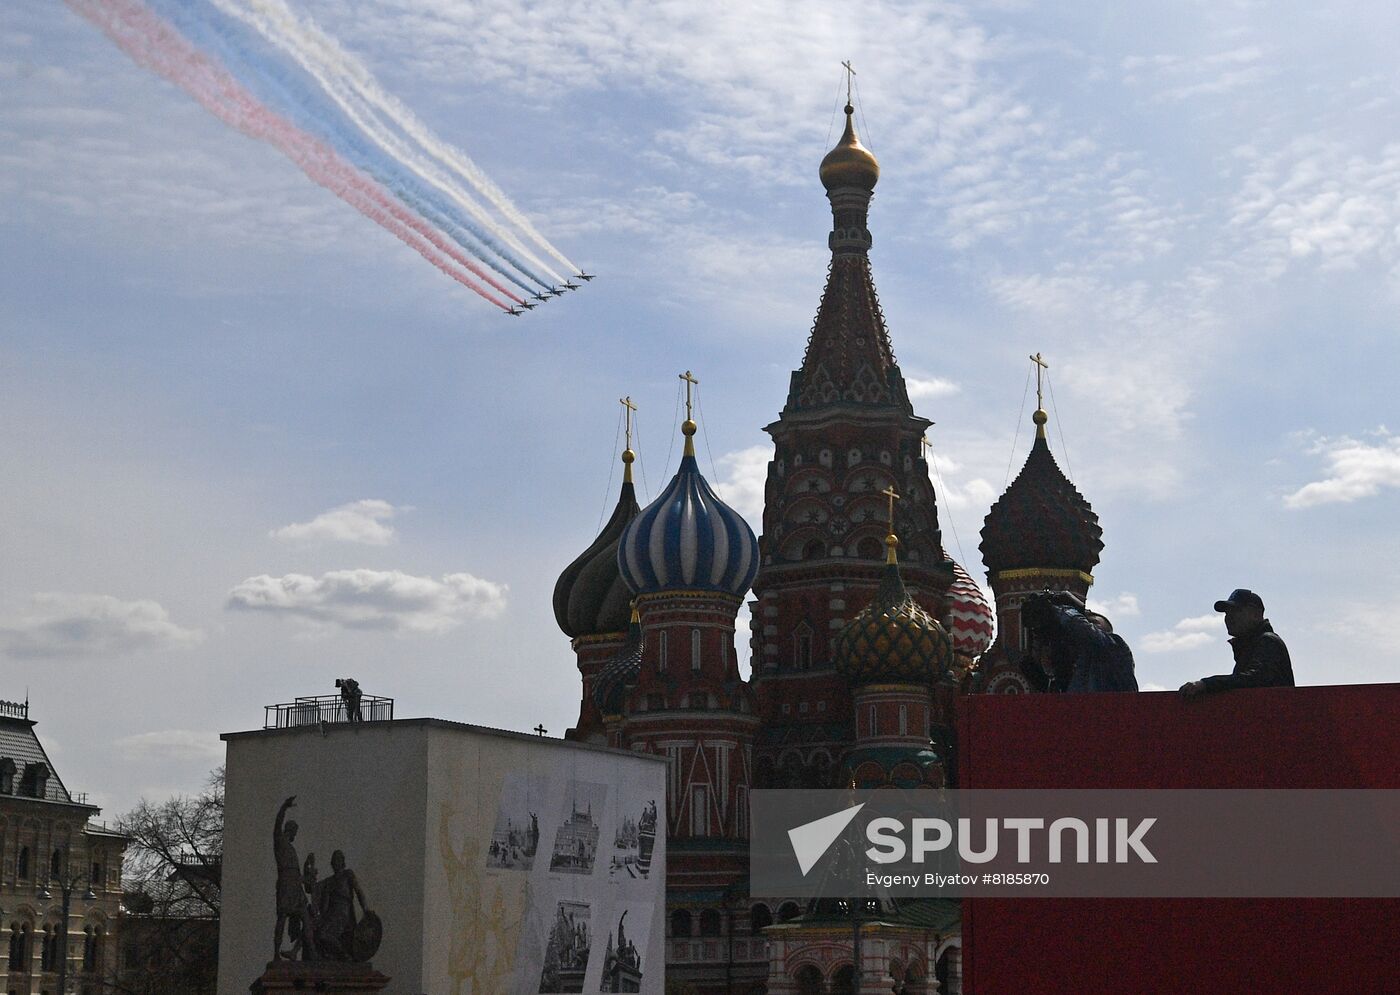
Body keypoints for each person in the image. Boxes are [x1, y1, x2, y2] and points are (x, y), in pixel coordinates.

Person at [1179, 589, 1293, 698]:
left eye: (1236, 611)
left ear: (1255, 614)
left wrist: (1207, 684)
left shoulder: (1268, 641)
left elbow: (1255, 678)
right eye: (1227, 613)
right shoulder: (1251, 645)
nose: (1229, 618)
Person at [1018, 590, 1138, 693]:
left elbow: (1087, 633)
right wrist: (1046, 685)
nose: (1086, 623)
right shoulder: (1077, 664)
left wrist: (1058, 609)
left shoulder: (1116, 647)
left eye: (1092, 622)